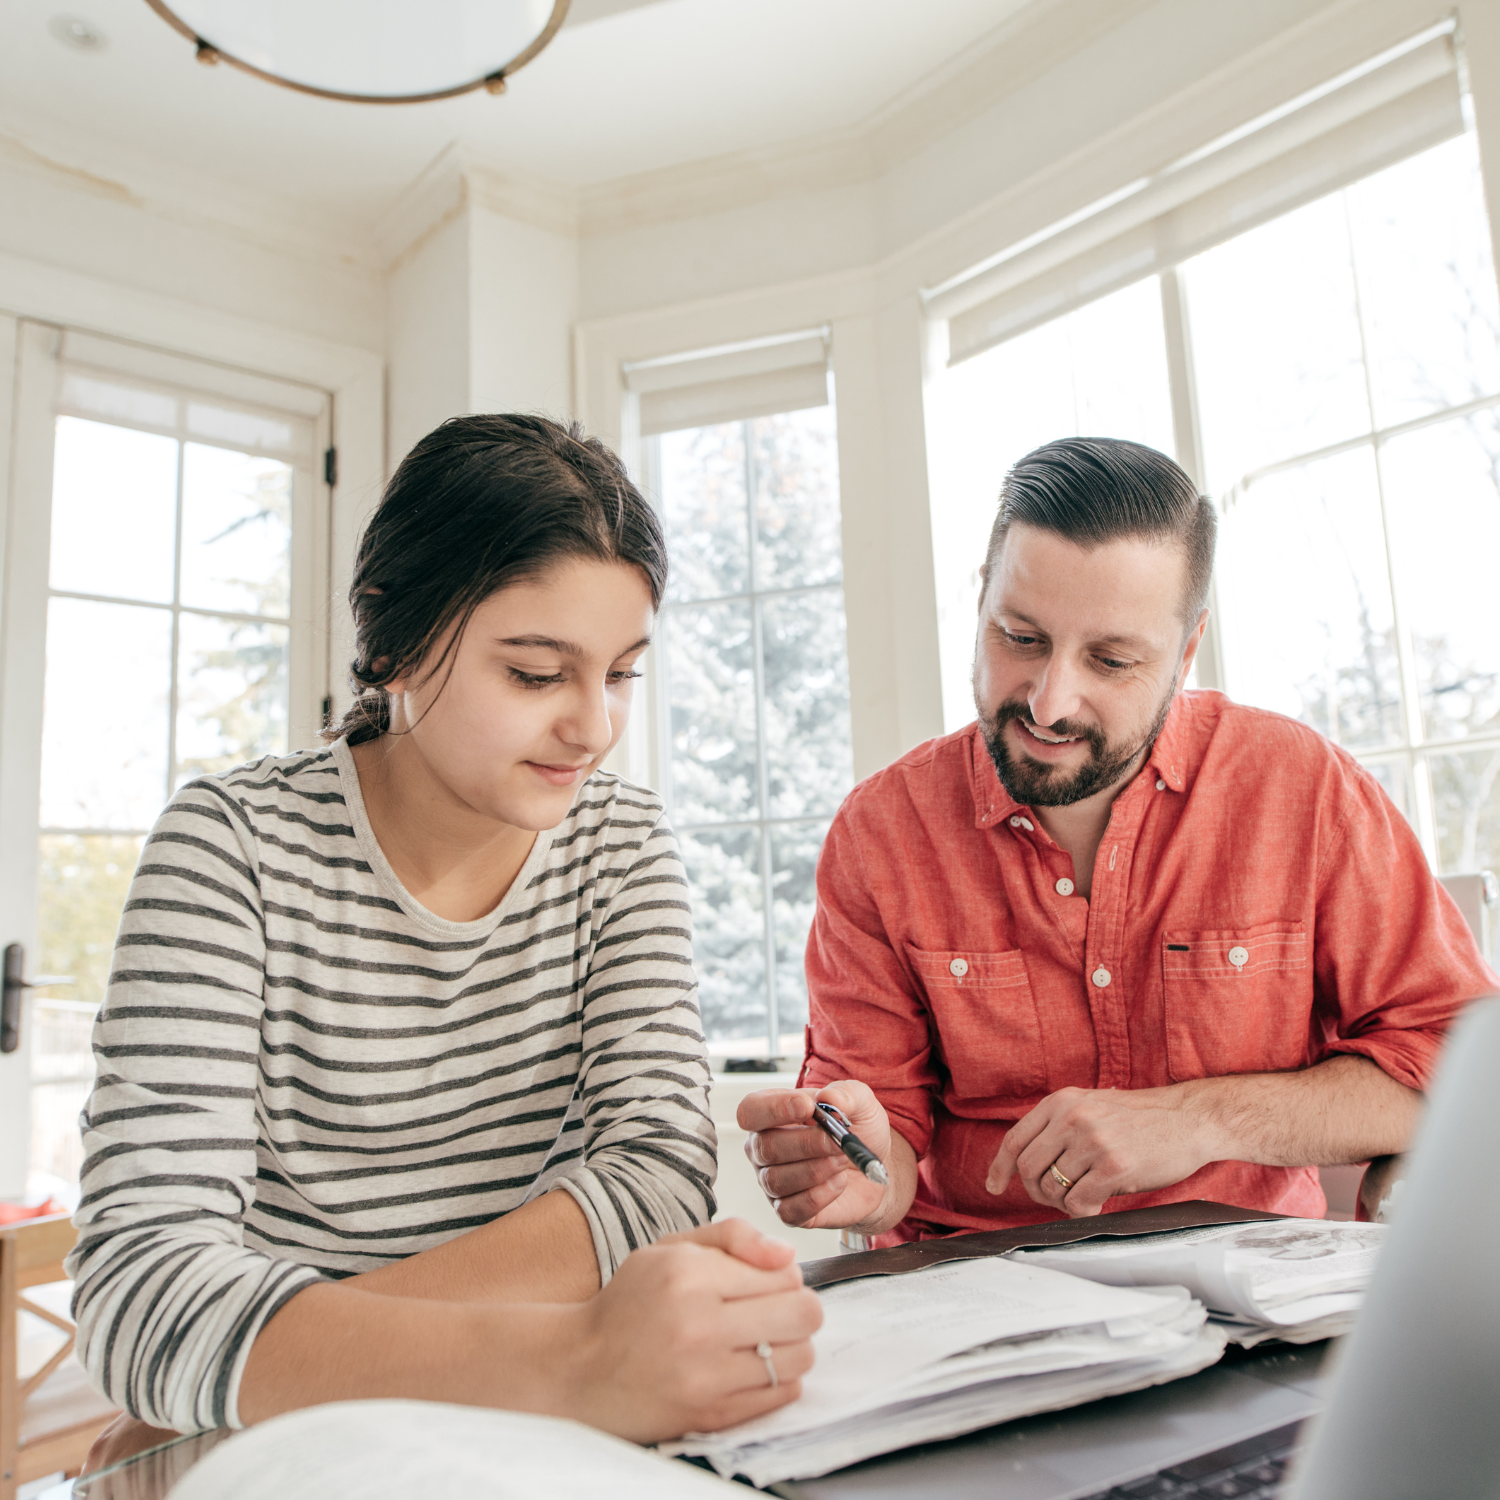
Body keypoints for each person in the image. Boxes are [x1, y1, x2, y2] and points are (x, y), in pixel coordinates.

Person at [68, 414, 820, 1447]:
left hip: (439, 1415)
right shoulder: (229, 847)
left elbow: (655, 1173)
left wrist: (292, 1352)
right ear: (392, 641)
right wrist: (570, 1359)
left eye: (623, 673)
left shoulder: (622, 842)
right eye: (535, 672)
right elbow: (143, 1289)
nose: (594, 726)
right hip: (306, 1444)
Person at [739, 437, 1496, 1245]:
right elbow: (879, 1148)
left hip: (1250, 1296)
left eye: (1111, 660)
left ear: (1187, 651)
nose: (1050, 702)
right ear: (982, 605)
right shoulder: (881, 833)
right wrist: (849, 1171)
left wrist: (1199, 1121)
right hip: (973, 1305)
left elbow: (1463, 1069)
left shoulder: (1302, 788)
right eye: (1020, 638)